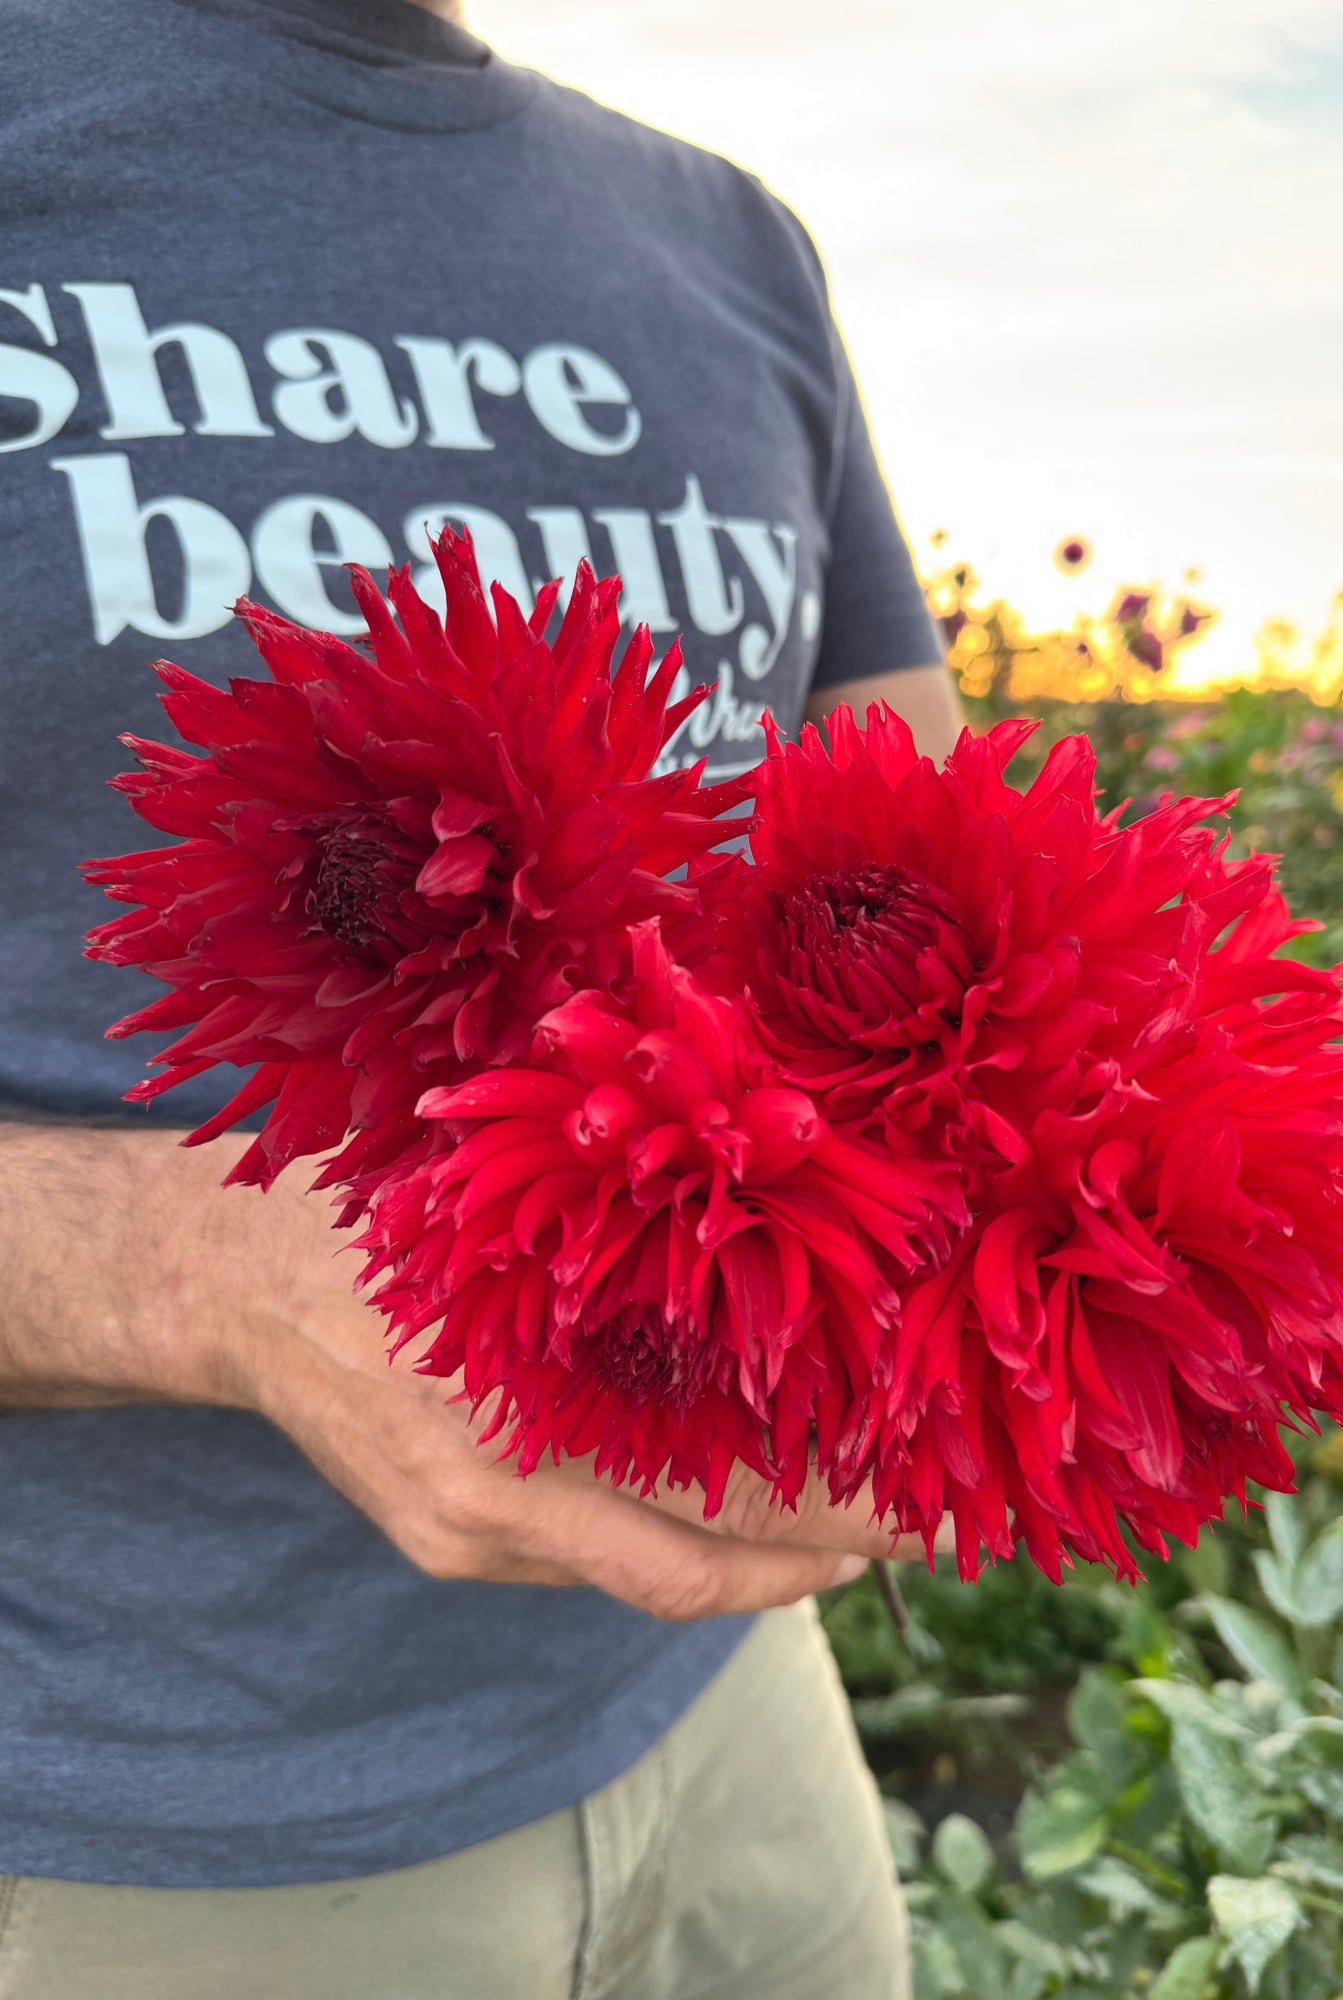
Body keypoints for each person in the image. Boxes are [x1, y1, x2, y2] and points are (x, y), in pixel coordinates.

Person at [0, 0, 962, 1992]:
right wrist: (195, 1269)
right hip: (129, 1836)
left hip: (729, 1709)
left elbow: (933, 886)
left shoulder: (733, 241)